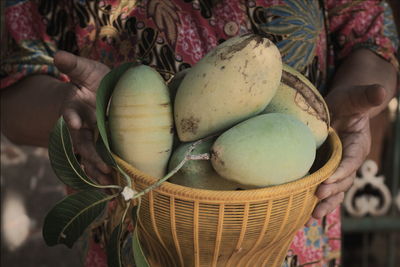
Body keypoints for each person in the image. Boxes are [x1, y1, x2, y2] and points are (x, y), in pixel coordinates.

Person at [1, 0, 398, 266]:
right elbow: (13, 83)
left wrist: (347, 108)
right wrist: (76, 109)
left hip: (293, 231)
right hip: (137, 234)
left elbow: (373, 40)